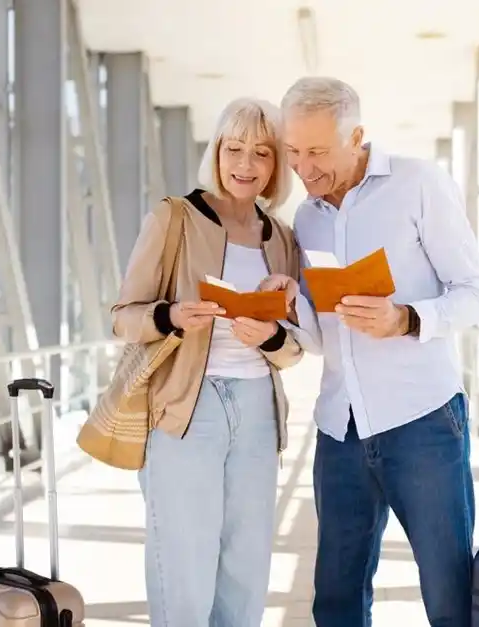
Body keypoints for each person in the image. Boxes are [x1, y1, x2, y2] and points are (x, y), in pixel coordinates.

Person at [260, 77, 479, 627]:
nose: (304, 168)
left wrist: (408, 318)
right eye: (293, 152)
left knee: (449, 596)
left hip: (424, 424)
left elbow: (477, 296)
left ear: (358, 136)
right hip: (339, 431)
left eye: (317, 151)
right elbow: (323, 339)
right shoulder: (309, 219)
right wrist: (295, 306)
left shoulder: (418, 185)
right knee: (335, 602)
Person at [111, 97, 304, 627]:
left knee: (247, 562)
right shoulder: (174, 218)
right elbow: (123, 317)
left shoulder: (280, 237)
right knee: (184, 558)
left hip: (258, 411)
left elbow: (294, 345)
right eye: (235, 149)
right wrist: (172, 315)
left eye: (261, 153)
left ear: (274, 166)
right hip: (184, 408)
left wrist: (268, 337)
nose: (246, 164)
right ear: (216, 152)